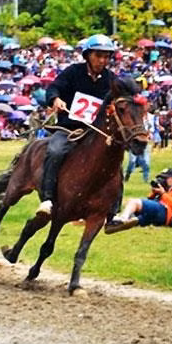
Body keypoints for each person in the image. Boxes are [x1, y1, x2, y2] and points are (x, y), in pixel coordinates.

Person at [36, 34, 117, 216]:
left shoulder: (111, 79)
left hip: (95, 132)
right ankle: (47, 199)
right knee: (55, 151)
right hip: (69, 128)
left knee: (114, 158)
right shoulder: (73, 72)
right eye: (98, 55)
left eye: (106, 56)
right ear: (88, 55)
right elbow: (53, 88)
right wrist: (55, 99)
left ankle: (113, 212)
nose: (102, 60)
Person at [105, 168, 172, 233]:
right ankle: (115, 224)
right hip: (160, 214)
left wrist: (163, 194)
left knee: (133, 202)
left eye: (165, 178)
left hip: (166, 212)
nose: (163, 181)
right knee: (135, 219)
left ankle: (122, 218)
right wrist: (154, 193)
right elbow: (150, 200)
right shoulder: (166, 189)